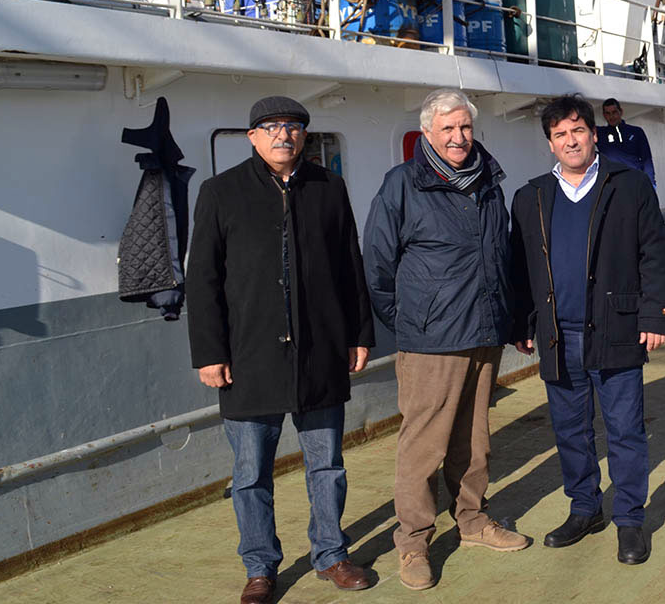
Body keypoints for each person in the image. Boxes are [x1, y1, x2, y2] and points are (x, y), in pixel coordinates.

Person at [186, 96, 375, 604]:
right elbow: (202, 279)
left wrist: (360, 334)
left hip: (320, 354)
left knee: (327, 466)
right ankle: (260, 567)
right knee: (250, 474)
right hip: (249, 359)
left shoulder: (329, 189)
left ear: (304, 137)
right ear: (251, 137)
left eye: (292, 127)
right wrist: (209, 351)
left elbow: (349, 266)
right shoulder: (220, 192)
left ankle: (331, 554)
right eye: (270, 127)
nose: (282, 135)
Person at [362, 88, 530, 591]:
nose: (458, 138)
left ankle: (474, 521)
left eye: (465, 128)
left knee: (474, 439)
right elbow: (378, 265)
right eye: (447, 129)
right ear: (428, 134)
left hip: (483, 330)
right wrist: (416, 321)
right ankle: (413, 542)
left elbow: (499, 256)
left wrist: (507, 318)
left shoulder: (488, 182)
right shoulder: (402, 185)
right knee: (422, 446)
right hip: (431, 338)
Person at [509, 94, 665, 565]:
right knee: (570, 431)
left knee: (624, 430)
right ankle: (585, 508)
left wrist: (656, 314)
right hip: (559, 335)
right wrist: (522, 323)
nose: (570, 140)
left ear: (593, 134)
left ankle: (629, 521)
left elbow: (654, 253)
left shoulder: (630, 185)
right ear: (550, 144)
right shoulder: (531, 196)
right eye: (559, 134)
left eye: (577, 130)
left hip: (617, 327)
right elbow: (519, 268)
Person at [596, 98, 656, 189]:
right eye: (608, 113)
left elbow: (647, 160)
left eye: (614, 112)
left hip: (635, 183)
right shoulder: (600, 133)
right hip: (613, 186)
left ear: (621, 112)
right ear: (604, 115)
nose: (611, 116)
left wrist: (651, 184)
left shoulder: (636, 132)